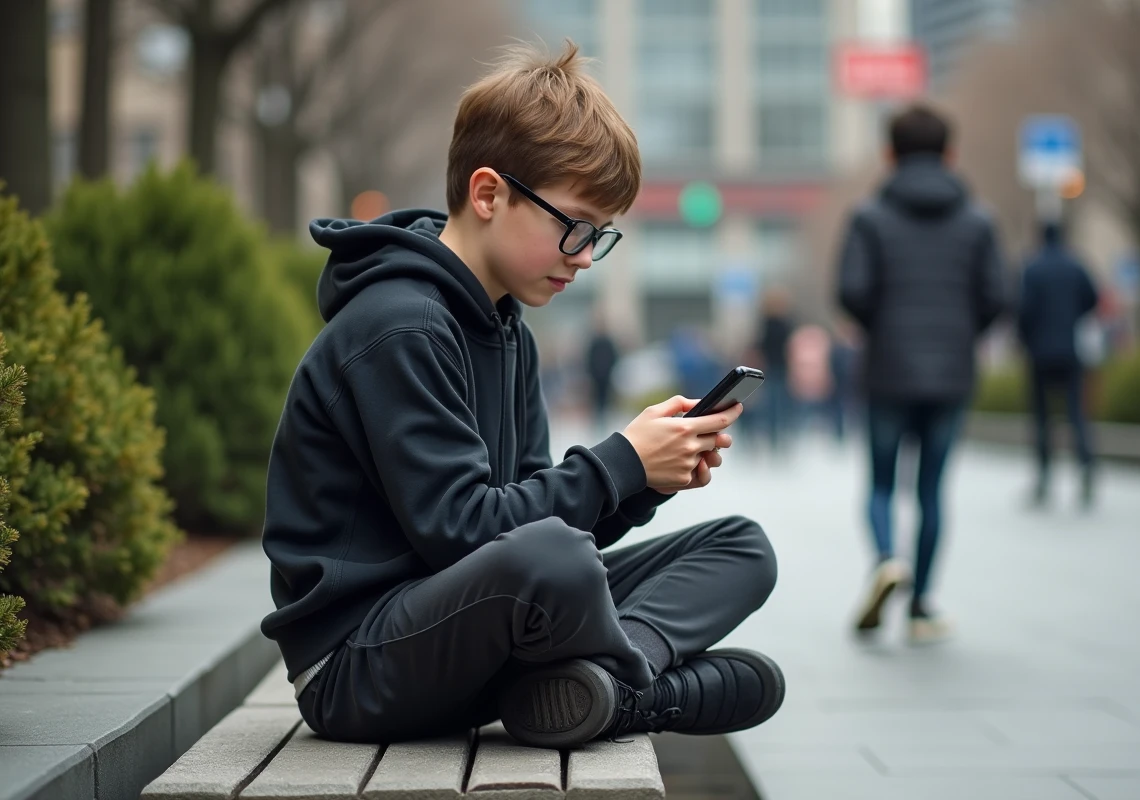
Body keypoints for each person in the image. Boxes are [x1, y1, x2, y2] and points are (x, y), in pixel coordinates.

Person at [259, 41, 782, 750]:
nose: (585, 255)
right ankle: (638, 689)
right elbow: (467, 534)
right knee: (554, 560)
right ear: (487, 194)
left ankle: (597, 686)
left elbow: (526, 516)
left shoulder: (507, 329)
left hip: (470, 631)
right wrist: (620, 461)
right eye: (572, 226)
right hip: (357, 666)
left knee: (740, 546)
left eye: (600, 236)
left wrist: (645, 483)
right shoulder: (399, 325)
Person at [837, 103, 1006, 645]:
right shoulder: (980, 220)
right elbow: (998, 296)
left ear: (889, 155)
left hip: (888, 368)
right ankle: (921, 606)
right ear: (950, 154)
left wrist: (883, 328)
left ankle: (888, 559)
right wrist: (962, 333)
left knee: (882, 483)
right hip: (952, 371)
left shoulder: (868, 217)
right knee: (932, 491)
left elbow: (852, 292)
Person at [1017, 221, 1099, 509]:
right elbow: (1093, 298)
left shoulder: (1032, 268)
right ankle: (1086, 467)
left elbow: (1022, 310)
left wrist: (1025, 341)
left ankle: (1043, 477)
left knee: (1042, 418)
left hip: (1039, 352)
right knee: (1076, 413)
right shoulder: (1075, 265)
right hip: (1069, 348)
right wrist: (1072, 315)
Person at [756, 288, 795, 452]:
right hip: (777, 369)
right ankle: (778, 439)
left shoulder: (769, 323)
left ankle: (777, 439)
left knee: (775, 406)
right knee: (778, 406)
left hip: (775, 370)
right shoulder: (783, 324)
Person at [584, 313, 620, 433]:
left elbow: (614, 357)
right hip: (596, 377)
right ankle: (597, 425)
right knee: (596, 402)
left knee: (605, 401)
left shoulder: (608, 342)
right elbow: (588, 359)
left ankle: (603, 424)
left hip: (606, 377)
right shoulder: (594, 342)